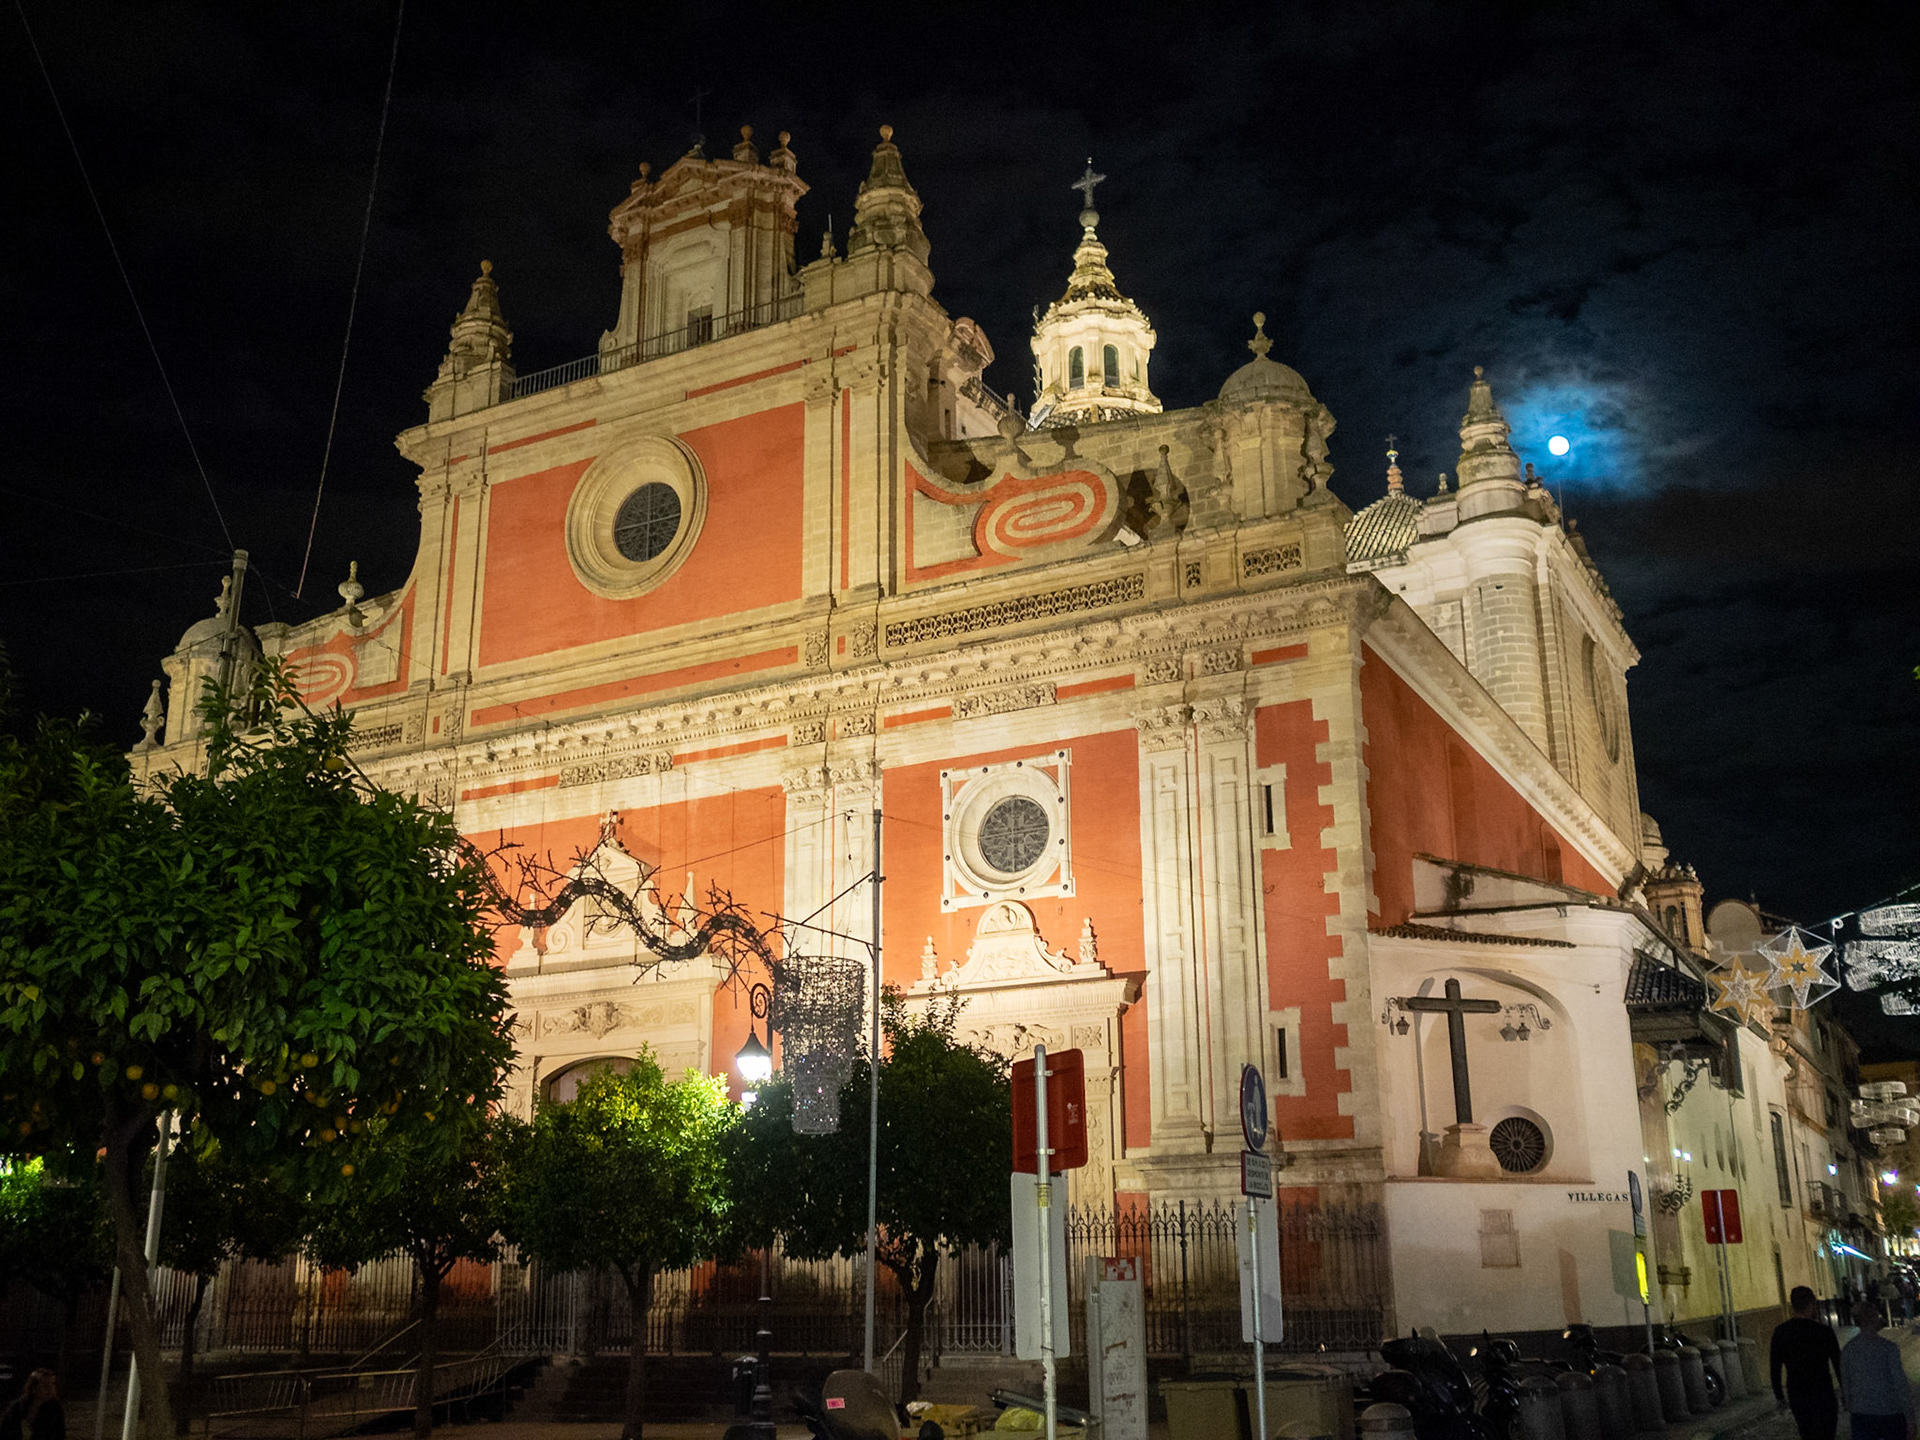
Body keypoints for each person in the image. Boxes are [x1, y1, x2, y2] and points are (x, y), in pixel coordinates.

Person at [1772, 1285, 1845, 1440]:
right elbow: (1838, 1364)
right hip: (1823, 1392)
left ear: (1793, 1305)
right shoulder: (1823, 1332)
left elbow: (1775, 1367)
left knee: (1807, 1433)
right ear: (1811, 1304)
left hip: (1798, 1394)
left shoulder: (1781, 1332)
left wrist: (1779, 1396)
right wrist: (1845, 1391)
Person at [1841, 1306, 1914, 1440]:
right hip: (1890, 1411)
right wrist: (1909, 1416)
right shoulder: (1889, 1349)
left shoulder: (1848, 1350)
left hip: (1862, 1413)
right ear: (1875, 1321)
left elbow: (1846, 1383)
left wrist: (1851, 1406)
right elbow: (1900, 1383)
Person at [0, 1370, 64, 1440]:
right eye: (45, 1385)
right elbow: (5, 1433)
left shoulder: (54, 1409)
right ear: (34, 1388)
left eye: (53, 1384)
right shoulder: (16, 1408)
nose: (50, 1388)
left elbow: (59, 1435)